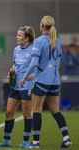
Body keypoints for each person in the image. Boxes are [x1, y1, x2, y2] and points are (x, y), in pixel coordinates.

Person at [20, 16, 72, 149]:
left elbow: (34, 63)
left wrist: (25, 77)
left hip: (41, 81)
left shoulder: (38, 41)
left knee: (36, 111)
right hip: (54, 80)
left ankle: (36, 142)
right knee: (55, 110)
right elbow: (57, 63)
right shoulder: (57, 41)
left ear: (42, 25)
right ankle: (66, 138)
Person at [0, 26, 35, 148]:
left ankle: (25, 141)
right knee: (8, 112)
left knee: (26, 114)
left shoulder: (33, 50)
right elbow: (15, 64)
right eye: (17, 35)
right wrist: (10, 72)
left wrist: (29, 76)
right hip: (15, 85)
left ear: (27, 38)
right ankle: (7, 140)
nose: (17, 37)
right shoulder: (16, 49)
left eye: (19, 35)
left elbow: (38, 69)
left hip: (26, 86)